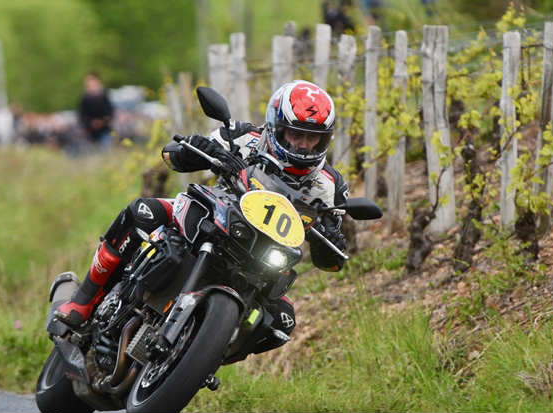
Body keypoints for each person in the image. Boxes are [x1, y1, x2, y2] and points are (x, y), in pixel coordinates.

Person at [55, 80, 349, 355]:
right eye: (296, 134)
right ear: (275, 127)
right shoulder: (243, 136)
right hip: (214, 217)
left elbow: (332, 261)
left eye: (314, 138)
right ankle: (85, 298)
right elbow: (170, 155)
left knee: (283, 321)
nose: (303, 145)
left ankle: (207, 354)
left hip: (265, 259)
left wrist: (332, 239)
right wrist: (197, 150)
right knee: (143, 211)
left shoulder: (331, 186)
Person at [78, 72, 114, 152]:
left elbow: (110, 111)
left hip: (104, 129)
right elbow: (82, 115)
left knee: (106, 150)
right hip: (91, 132)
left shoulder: (104, 95)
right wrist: (92, 122)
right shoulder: (85, 97)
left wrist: (104, 120)